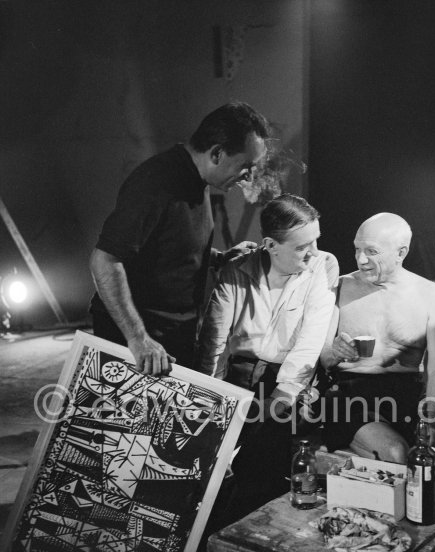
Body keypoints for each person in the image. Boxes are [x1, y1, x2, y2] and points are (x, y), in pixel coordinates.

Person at [320, 212, 435, 552]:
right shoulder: (340, 287)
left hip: (409, 396)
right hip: (349, 396)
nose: (360, 259)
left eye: (371, 251)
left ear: (401, 251)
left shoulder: (430, 294)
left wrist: (430, 418)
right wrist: (334, 352)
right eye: (357, 249)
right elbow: (321, 359)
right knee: (398, 456)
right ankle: (408, 544)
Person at [89, 102, 270, 376]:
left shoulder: (198, 180)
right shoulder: (156, 182)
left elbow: (166, 246)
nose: (249, 176)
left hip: (172, 338)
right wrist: (138, 339)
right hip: (140, 345)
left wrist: (218, 258)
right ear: (217, 153)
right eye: (246, 166)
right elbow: (105, 260)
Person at [197, 193, 339, 524]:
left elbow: (310, 339)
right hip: (240, 374)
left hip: (288, 377)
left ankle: (250, 529)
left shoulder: (321, 266)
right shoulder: (236, 271)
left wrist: (283, 396)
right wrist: (209, 396)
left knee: (260, 462)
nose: (314, 252)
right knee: (213, 462)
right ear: (270, 245)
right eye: (302, 246)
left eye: (315, 240)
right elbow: (214, 340)